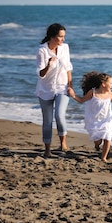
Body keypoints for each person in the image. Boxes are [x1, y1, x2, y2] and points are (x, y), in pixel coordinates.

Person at [68, 71, 112, 162]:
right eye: (111, 83)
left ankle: (103, 157)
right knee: (98, 141)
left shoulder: (110, 94)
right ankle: (97, 145)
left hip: (106, 121)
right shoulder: (92, 92)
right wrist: (73, 95)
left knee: (107, 137)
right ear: (103, 84)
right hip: (93, 120)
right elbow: (82, 100)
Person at [35, 23, 74, 158]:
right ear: (52, 37)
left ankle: (63, 143)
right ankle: (47, 149)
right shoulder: (42, 51)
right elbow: (40, 74)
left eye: (64, 36)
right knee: (47, 120)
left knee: (59, 115)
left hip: (62, 87)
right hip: (45, 89)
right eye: (60, 37)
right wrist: (48, 65)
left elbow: (68, 67)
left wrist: (70, 86)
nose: (63, 39)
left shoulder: (65, 48)